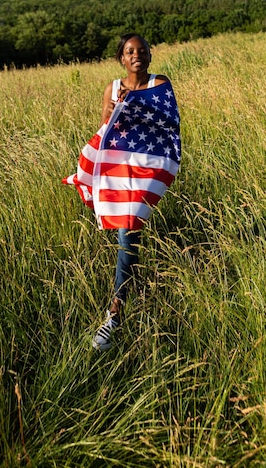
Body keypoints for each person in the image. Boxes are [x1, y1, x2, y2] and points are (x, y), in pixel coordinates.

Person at [63, 33, 181, 351]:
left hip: (148, 170)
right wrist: (114, 110)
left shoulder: (160, 83)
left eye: (142, 51)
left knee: (128, 233)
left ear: (149, 56)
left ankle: (115, 312)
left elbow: (169, 124)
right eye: (130, 51)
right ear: (122, 58)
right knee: (128, 234)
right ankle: (117, 311)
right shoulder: (112, 88)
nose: (136, 55)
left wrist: (138, 111)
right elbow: (103, 131)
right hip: (119, 172)